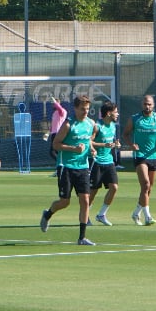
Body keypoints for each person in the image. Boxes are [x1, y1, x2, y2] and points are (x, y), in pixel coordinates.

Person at [40, 95, 97, 246]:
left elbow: (87, 140)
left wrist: (91, 149)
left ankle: (82, 237)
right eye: (82, 109)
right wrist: (73, 149)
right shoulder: (68, 124)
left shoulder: (91, 124)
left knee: (85, 200)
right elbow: (56, 144)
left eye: (87, 109)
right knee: (65, 202)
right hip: (66, 166)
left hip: (82, 167)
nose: (85, 112)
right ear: (75, 109)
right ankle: (48, 214)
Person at [123, 95, 156, 226]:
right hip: (140, 155)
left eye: (150, 104)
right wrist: (131, 145)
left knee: (149, 188)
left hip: (153, 156)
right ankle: (148, 216)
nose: (147, 106)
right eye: (145, 104)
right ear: (142, 104)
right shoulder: (134, 119)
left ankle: (136, 213)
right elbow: (125, 134)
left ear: (154, 105)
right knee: (145, 185)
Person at [89, 101, 121, 226]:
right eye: (116, 111)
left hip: (109, 162)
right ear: (108, 113)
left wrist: (116, 145)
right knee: (93, 191)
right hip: (96, 162)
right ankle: (85, 216)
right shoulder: (97, 126)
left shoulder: (113, 126)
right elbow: (89, 142)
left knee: (114, 187)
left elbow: (111, 142)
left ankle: (101, 214)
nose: (117, 114)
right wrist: (103, 145)